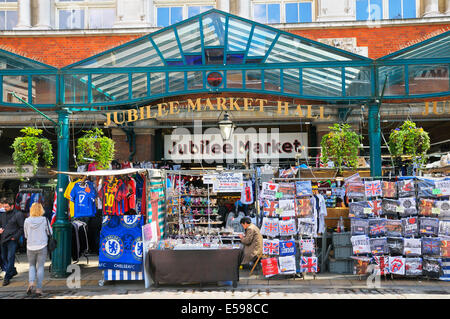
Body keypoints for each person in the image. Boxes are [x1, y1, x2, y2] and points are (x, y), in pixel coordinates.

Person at [24, 202, 51, 297]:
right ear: (41, 210)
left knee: (31, 266)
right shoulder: (44, 220)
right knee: (40, 267)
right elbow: (49, 232)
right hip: (42, 245)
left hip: (30, 246)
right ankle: (39, 289)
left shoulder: (27, 221)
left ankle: (31, 284)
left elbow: (26, 234)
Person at [0, 198, 24, 286]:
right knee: (4, 257)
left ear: (12, 206)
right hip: (3, 239)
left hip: (12, 240)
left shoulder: (18, 214)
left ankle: (7, 277)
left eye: (6, 207)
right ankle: (12, 271)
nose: (4, 208)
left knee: (10, 257)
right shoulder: (2, 214)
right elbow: (1, 225)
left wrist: (15, 237)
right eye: (3, 207)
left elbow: (22, 228)